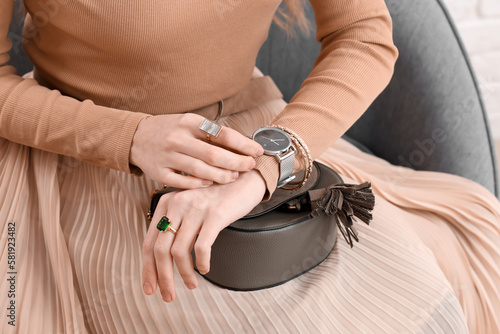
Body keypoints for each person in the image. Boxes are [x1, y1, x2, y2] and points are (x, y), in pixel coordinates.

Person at [1, 0, 500, 333]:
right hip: (91, 157)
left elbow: (363, 35)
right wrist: (127, 137)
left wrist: (261, 169)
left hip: (259, 142)